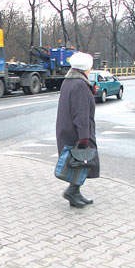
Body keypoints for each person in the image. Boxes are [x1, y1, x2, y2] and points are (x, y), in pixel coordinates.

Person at [56, 51, 99, 208]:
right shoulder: (80, 85)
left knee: (79, 163)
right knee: (82, 161)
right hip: (77, 132)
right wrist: (84, 138)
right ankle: (72, 192)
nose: (90, 70)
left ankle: (76, 192)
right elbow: (80, 114)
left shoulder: (69, 81)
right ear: (85, 68)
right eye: (90, 67)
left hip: (67, 129)